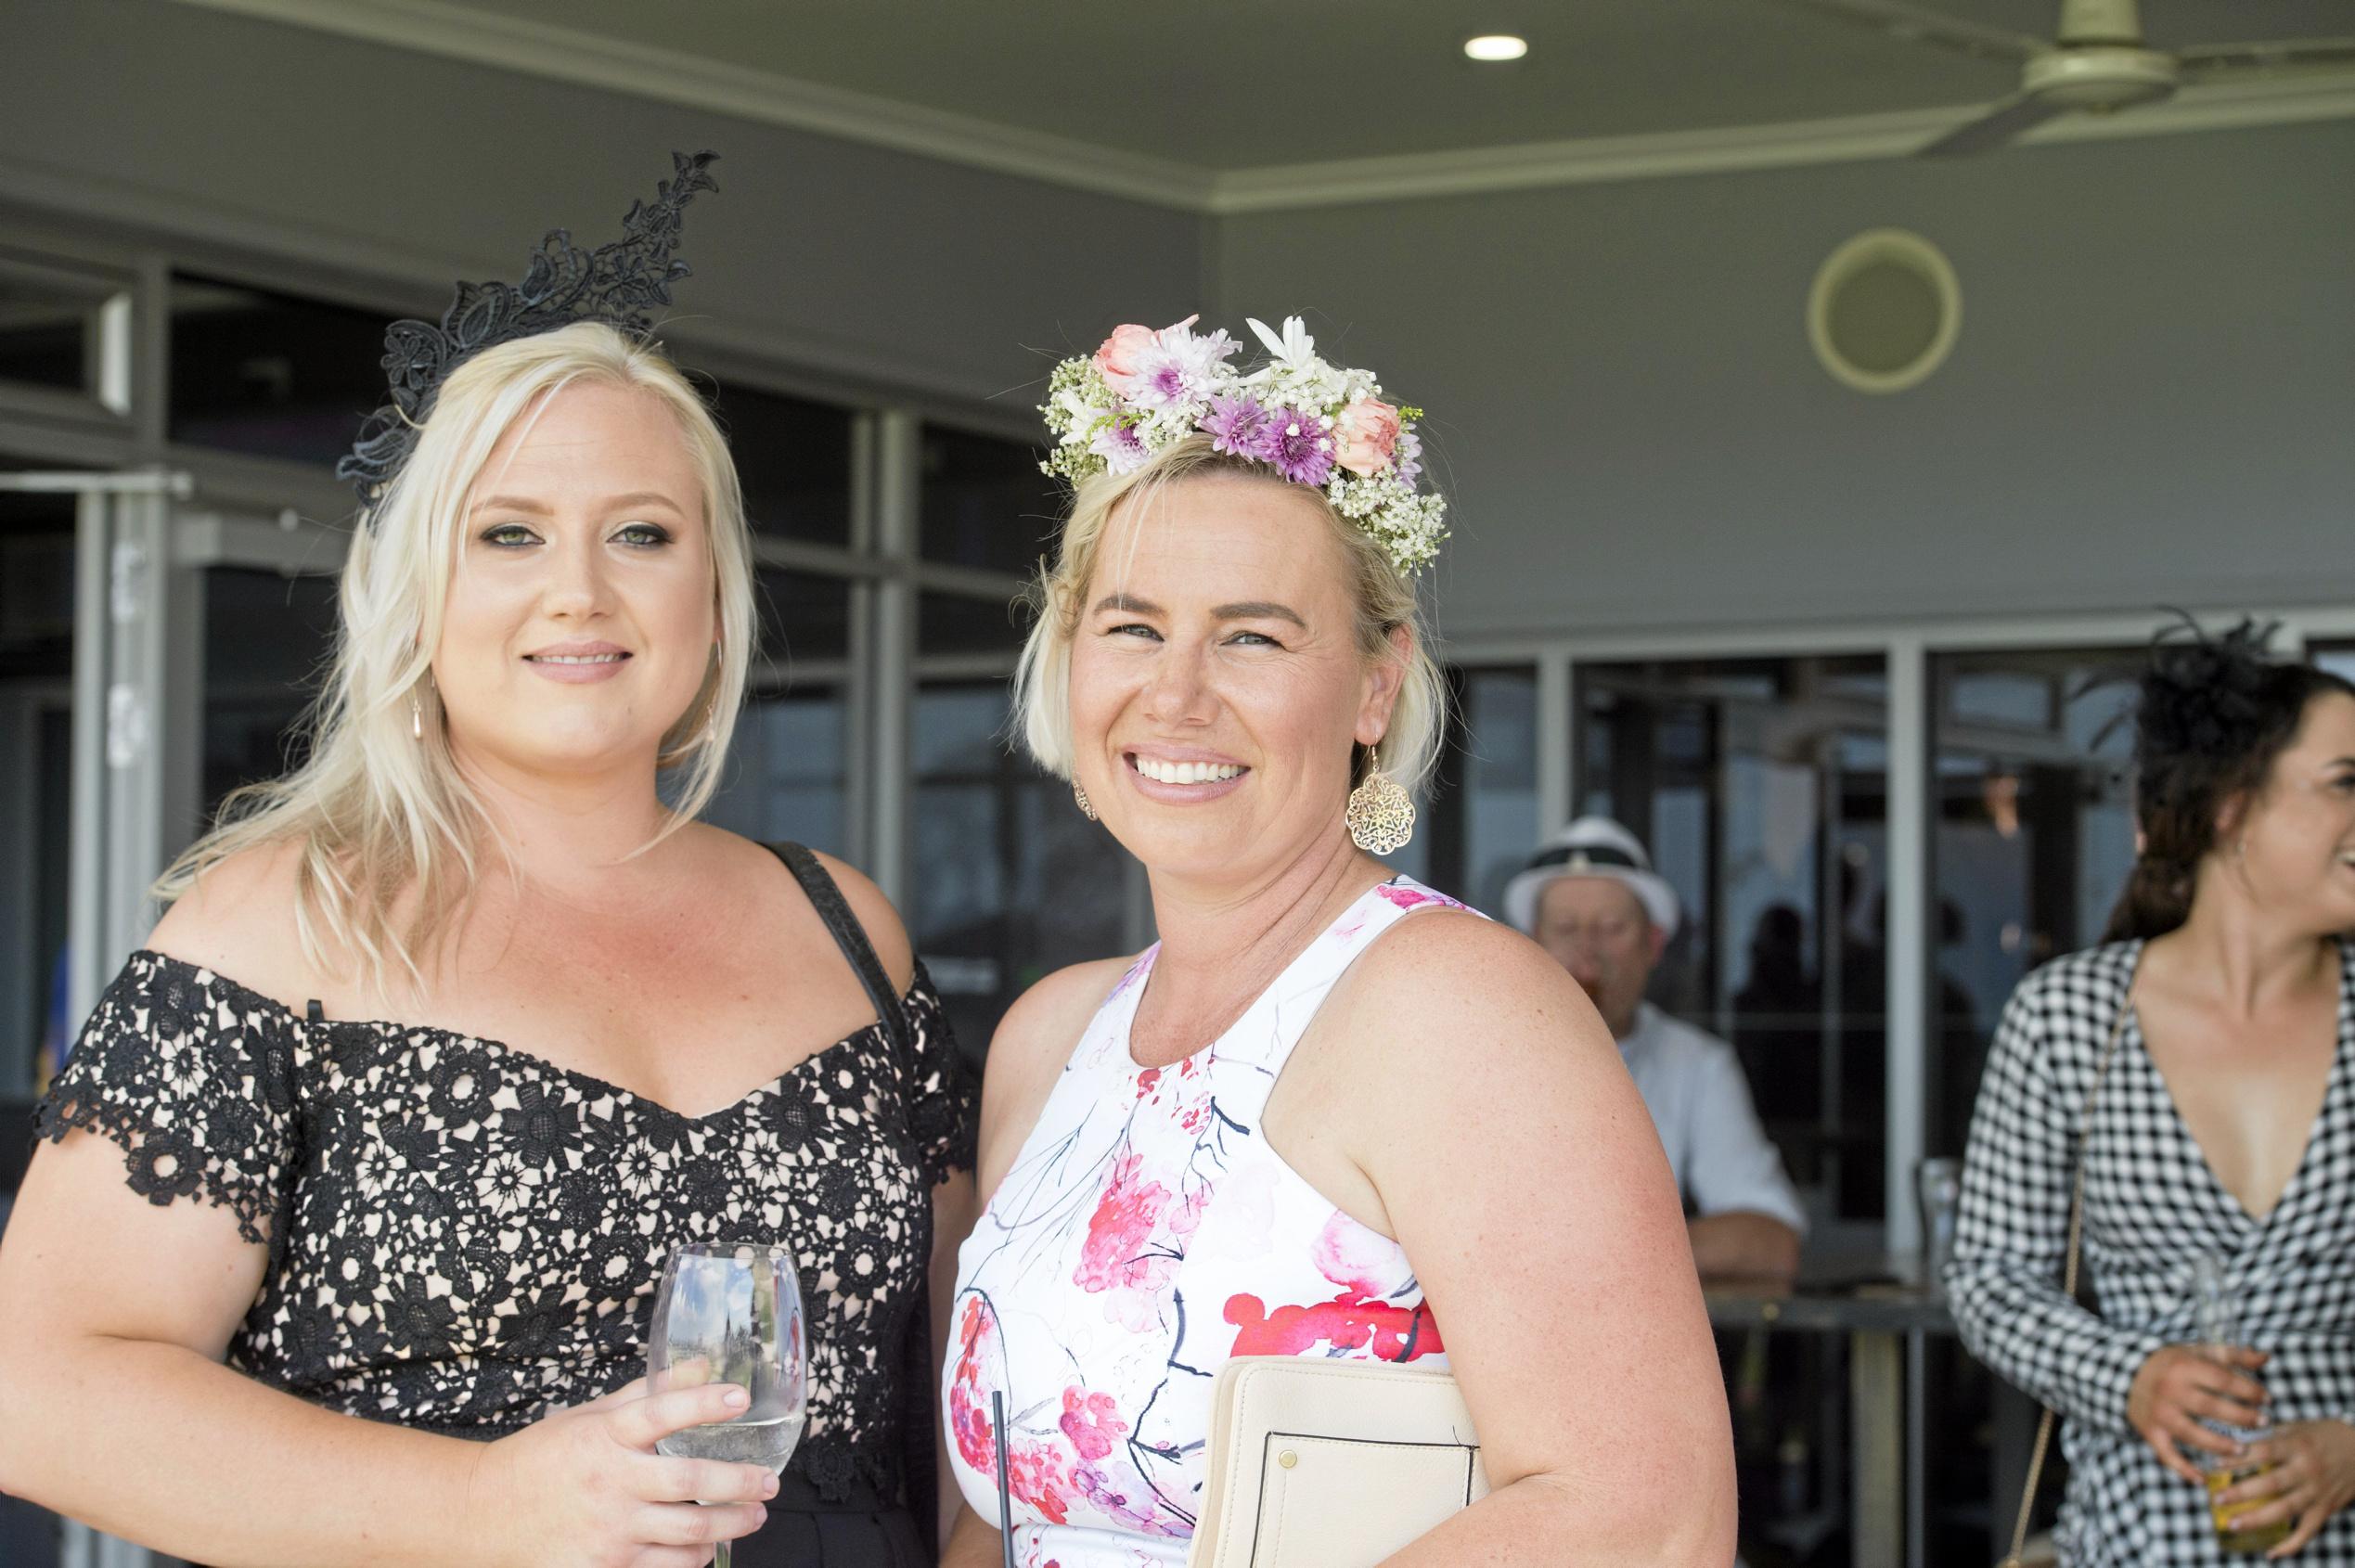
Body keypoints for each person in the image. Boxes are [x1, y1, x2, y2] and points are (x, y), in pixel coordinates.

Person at [0, 153, 977, 1568]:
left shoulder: (844, 926)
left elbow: (963, 1381)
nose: (577, 588)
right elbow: (41, 1388)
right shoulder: (285, 919)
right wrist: (484, 1507)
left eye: (640, 533)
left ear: (713, 593)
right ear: (415, 594)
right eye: (508, 534)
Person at [937, 315, 1733, 1567]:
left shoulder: (1455, 1008)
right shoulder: (1051, 1036)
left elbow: (1641, 1516)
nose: (1177, 691)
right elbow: (999, 1518)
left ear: (1373, 684)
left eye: (1251, 634)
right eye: (1133, 626)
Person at [1947, 621, 2355, 1563]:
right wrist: (2129, 1374)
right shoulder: (2071, 1017)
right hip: (2137, 1541)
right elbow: (1989, 1279)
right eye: (2345, 783)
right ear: (2231, 806)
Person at [1504, 817, 1807, 1281]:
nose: (1587, 953)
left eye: (1611, 928)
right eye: (1565, 928)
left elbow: (1771, 1241)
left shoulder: (1697, 1065)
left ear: (1654, 944)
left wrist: (1592, 1252)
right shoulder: (1478, 1057)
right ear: (1532, 942)